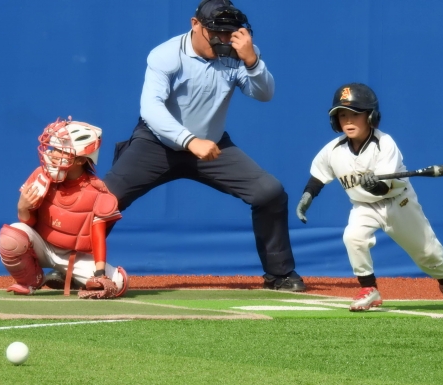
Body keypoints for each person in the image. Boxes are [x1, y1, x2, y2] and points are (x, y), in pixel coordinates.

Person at [102, 0, 305, 291]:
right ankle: (72, 265)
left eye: (230, 32)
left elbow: (264, 94)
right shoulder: (166, 55)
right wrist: (188, 140)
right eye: (216, 32)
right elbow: (151, 108)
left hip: (212, 145)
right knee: (103, 200)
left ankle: (280, 274)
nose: (223, 40)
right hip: (157, 143)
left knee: (269, 192)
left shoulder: (240, 52)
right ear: (195, 24)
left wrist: (252, 61)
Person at [295, 83, 443, 311]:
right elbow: (319, 175)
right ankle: (369, 289)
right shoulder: (333, 149)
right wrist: (307, 197)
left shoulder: (384, 144)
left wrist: (375, 185)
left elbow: (384, 189)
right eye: (342, 115)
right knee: (353, 237)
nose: (348, 121)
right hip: (363, 206)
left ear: (371, 117)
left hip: (399, 202)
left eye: (355, 115)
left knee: (426, 252)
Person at [0, 117, 130, 299]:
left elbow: (98, 235)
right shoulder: (41, 176)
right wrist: (23, 208)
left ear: (81, 160)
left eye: (60, 150)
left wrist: (99, 272)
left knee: (119, 283)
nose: (52, 154)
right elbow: (29, 222)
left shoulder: (97, 191)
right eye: (53, 148)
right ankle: (31, 281)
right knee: (11, 237)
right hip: (42, 247)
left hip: (74, 258)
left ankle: (75, 278)